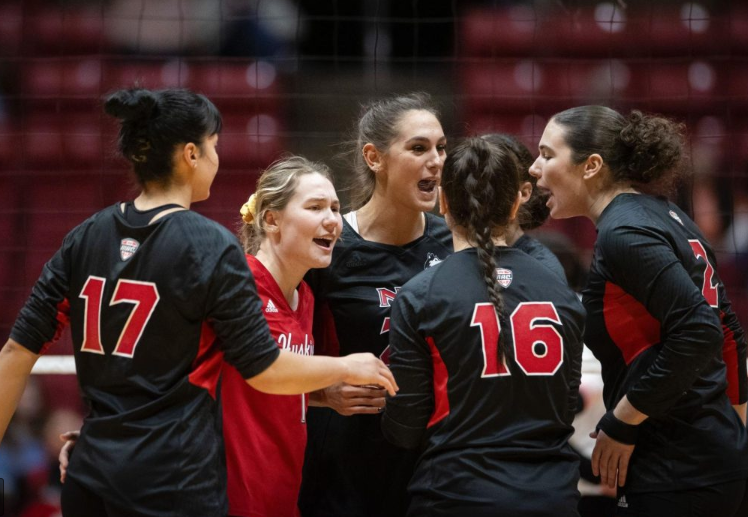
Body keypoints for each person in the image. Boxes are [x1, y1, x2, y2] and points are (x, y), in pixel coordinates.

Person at [0, 87, 396, 517]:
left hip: (93, 474)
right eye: (215, 147)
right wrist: (346, 365)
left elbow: (15, 353)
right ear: (191, 154)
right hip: (173, 481)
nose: (218, 159)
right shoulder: (209, 246)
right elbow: (261, 368)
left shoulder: (85, 236)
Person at [529, 105, 748, 517]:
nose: (534, 168)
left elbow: (702, 331)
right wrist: (733, 431)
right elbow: (728, 328)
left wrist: (621, 421)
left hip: (676, 463)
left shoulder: (624, 232)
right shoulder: (666, 213)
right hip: (710, 456)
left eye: (547, 154)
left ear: (591, 165)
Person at [381, 136, 586, 516]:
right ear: (515, 203)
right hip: (553, 498)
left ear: (443, 202)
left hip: (455, 495)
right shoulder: (561, 291)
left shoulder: (418, 295)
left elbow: (405, 427)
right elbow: (567, 401)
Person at [299, 92, 452, 517]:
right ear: (374, 157)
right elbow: (274, 354)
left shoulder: (455, 243)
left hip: (432, 455)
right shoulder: (329, 246)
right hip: (345, 457)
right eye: (419, 148)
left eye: (441, 147)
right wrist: (318, 392)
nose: (436, 160)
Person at [222, 156, 342, 517]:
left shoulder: (304, 295)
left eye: (336, 208)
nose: (332, 220)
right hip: (227, 500)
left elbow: (263, 387)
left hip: (281, 499)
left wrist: (322, 394)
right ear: (271, 219)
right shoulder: (236, 284)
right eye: (316, 207)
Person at [481, 133, 566, 282]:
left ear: (524, 193)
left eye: (492, 183)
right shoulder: (446, 250)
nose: (477, 193)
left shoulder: (543, 268)